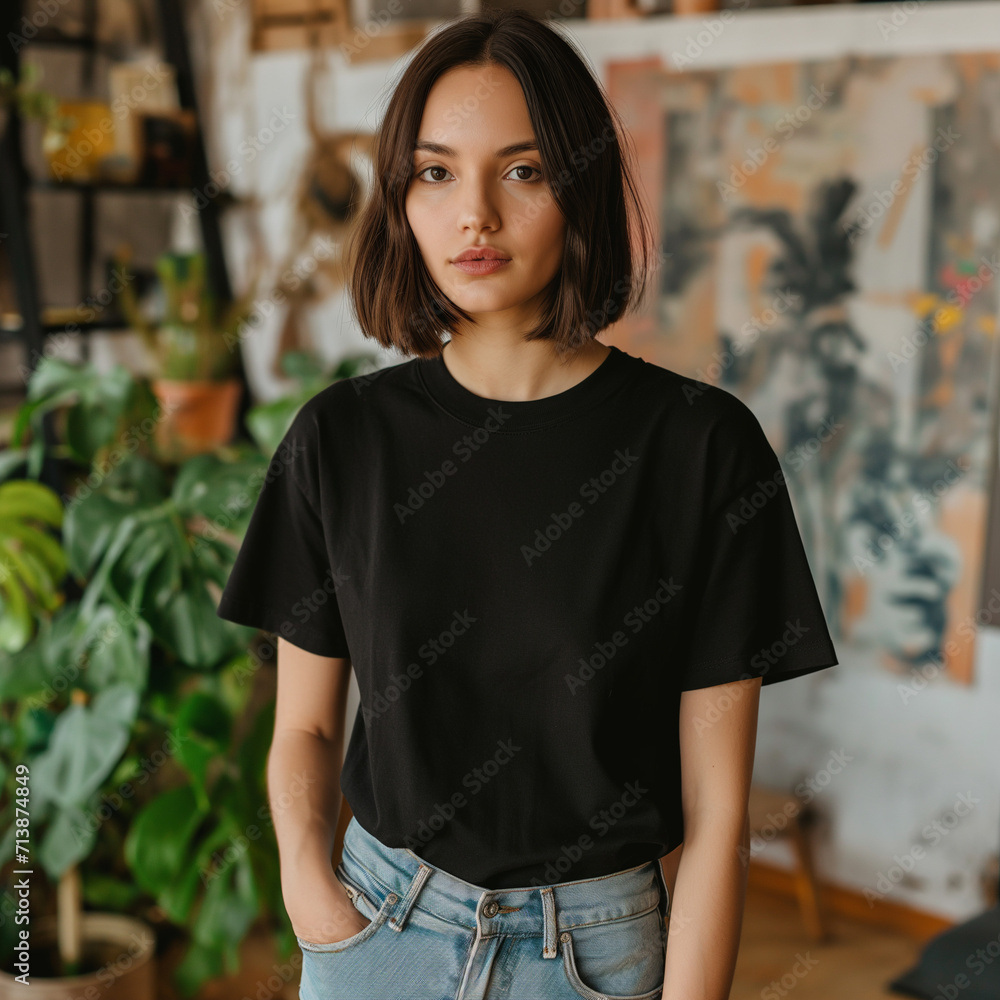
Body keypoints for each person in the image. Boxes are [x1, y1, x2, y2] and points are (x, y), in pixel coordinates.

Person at [215, 7, 839, 999]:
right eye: (435, 173)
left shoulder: (699, 446)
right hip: (376, 928)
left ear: (579, 186)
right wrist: (306, 884)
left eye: (522, 169)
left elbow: (717, 814)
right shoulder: (339, 440)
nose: (474, 216)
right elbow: (305, 729)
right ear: (400, 200)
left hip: (597, 951)